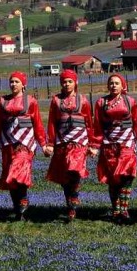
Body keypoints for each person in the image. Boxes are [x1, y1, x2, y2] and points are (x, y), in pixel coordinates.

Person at [0, 71, 46, 221]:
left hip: (25, 144)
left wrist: (44, 144)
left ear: (23, 84)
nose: (13, 84)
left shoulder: (31, 101)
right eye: (11, 81)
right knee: (10, 178)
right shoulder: (3, 102)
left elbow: (38, 124)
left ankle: (24, 198)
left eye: (16, 82)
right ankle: (19, 211)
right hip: (7, 144)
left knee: (19, 170)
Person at [43, 69, 95, 221]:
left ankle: (74, 195)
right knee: (64, 174)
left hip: (79, 141)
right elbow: (52, 122)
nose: (67, 84)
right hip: (62, 141)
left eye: (70, 81)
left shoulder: (83, 100)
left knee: (75, 169)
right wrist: (51, 143)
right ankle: (70, 203)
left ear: (75, 82)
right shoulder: (56, 100)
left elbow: (89, 123)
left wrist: (92, 143)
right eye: (64, 81)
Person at [90, 73, 137, 223]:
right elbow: (97, 126)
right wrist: (94, 145)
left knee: (127, 176)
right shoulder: (101, 103)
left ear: (122, 85)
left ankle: (124, 211)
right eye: (111, 83)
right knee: (113, 179)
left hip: (126, 144)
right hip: (109, 145)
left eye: (117, 83)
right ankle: (116, 210)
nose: (113, 85)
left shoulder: (130, 101)